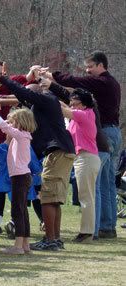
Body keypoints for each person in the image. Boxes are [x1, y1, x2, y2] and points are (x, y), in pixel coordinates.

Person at [0, 66, 75, 251]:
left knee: (47, 198)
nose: (28, 102)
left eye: (30, 97)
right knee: (53, 198)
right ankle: (54, 239)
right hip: (61, 151)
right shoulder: (44, 104)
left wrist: (5, 79)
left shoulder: (46, 98)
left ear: (37, 94)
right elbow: (24, 97)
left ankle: (50, 239)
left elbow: (26, 94)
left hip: (58, 151)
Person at [42, 51, 122, 238]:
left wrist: (51, 77)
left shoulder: (102, 82)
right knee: (107, 183)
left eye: (91, 66)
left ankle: (92, 231)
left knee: (94, 188)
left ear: (101, 65)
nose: (87, 70)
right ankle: (107, 227)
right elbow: (69, 97)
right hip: (113, 132)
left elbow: (75, 83)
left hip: (102, 136)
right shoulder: (111, 84)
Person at [0, 99, 36, 255]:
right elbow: (4, 124)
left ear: (19, 123)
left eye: (13, 122)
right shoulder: (23, 136)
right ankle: (25, 245)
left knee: (18, 212)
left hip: (19, 177)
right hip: (22, 177)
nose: (9, 125)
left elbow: (1, 124)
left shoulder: (20, 135)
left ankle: (18, 246)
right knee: (22, 210)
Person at [59, 89, 101, 242]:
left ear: (83, 104)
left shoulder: (85, 114)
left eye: (75, 103)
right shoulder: (78, 116)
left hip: (86, 158)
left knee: (86, 197)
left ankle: (87, 232)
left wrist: (47, 95)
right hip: (81, 158)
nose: (72, 105)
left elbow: (64, 110)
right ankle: (86, 231)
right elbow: (66, 108)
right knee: (85, 196)